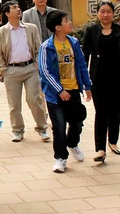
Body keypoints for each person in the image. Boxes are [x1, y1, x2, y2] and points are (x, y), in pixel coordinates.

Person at [82, 0, 120, 163]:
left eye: (108, 12)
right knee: (101, 113)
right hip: (98, 79)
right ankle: (100, 149)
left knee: (115, 112)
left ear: (113, 14)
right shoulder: (91, 31)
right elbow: (84, 56)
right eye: (102, 11)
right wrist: (84, 80)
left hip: (118, 78)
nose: (105, 15)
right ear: (97, 13)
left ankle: (113, 141)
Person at [39, 10, 92, 173]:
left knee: (77, 122)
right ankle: (61, 158)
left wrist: (87, 85)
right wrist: (59, 90)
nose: (70, 22)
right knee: (59, 126)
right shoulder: (47, 47)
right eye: (66, 20)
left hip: (74, 90)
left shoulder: (74, 43)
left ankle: (73, 143)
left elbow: (82, 64)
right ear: (57, 27)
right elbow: (45, 71)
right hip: (55, 96)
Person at [0, 0, 49, 142]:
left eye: (18, 7)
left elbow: (38, 48)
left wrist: (37, 66)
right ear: (7, 13)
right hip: (11, 71)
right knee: (14, 104)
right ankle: (17, 130)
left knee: (34, 99)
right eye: (14, 8)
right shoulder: (0, 32)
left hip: (31, 69)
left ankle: (42, 128)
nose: (18, 9)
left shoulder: (31, 28)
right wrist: (4, 70)